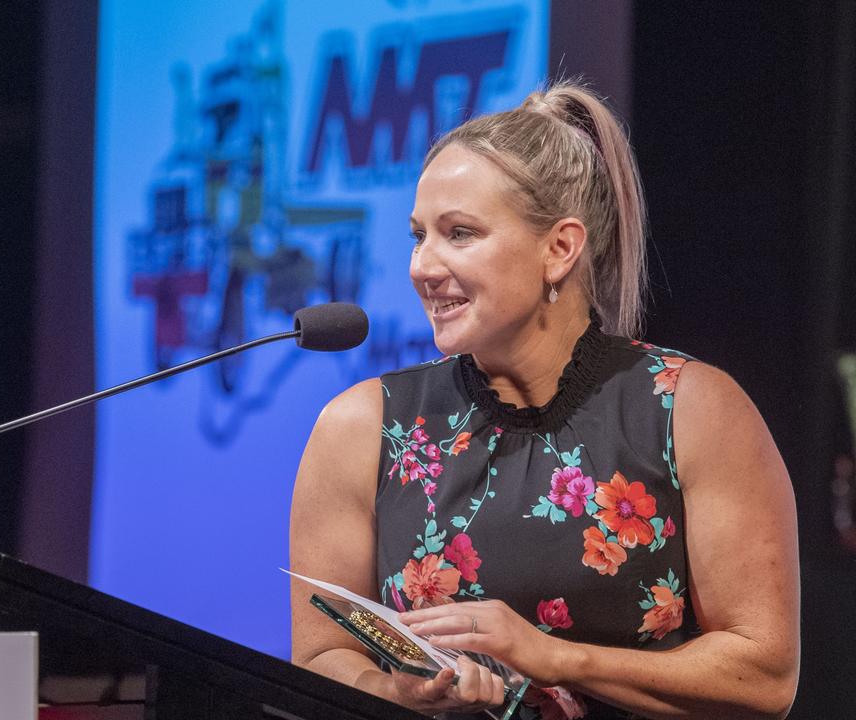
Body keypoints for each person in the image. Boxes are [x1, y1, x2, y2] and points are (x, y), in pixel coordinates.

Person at [289, 82, 799, 719]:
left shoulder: (690, 409)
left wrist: (549, 656)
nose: (423, 265)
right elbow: (320, 660)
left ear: (560, 248)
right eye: (419, 236)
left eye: (460, 234)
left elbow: (764, 677)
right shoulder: (364, 426)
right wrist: (404, 693)